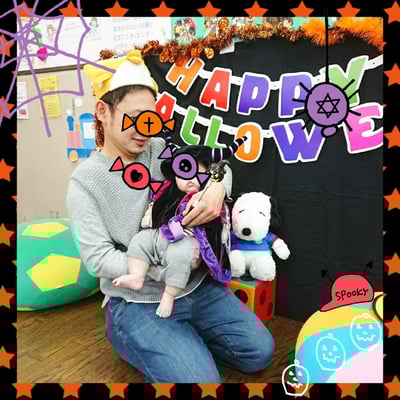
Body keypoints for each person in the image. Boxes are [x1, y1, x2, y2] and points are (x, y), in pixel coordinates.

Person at [67, 49, 274, 383]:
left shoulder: (161, 150)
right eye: (133, 118)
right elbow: (97, 259)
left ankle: (185, 339)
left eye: (150, 119)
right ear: (103, 112)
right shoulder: (85, 182)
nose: (143, 130)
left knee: (259, 352)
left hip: (197, 288)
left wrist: (217, 187)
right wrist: (167, 267)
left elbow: (219, 166)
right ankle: (126, 333)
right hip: (137, 300)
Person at [112, 138, 247, 318]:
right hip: (162, 233)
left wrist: (218, 188)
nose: (190, 180)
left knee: (180, 255)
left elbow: (223, 167)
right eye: (184, 174)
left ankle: (169, 294)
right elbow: (155, 205)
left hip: (189, 239)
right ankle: (136, 276)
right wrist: (149, 221)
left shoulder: (206, 192)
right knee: (140, 240)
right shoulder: (168, 189)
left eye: (198, 174)